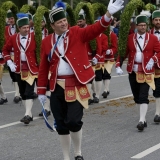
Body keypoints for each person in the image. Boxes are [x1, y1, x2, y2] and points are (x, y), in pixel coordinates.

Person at [37, 0, 123, 159]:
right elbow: (43, 67)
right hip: (57, 86)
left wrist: (108, 14)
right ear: (52, 25)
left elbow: (95, 29)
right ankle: (66, 156)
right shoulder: (46, 42)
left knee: (74, 121)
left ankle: (78, 152)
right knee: (61, 123)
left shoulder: (76, 32)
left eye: (64, 21)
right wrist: (42, 90)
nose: (63, 24)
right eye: (59, 22)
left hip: (77, 83)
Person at [116, 14, 160, 131]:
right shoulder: (130, 38)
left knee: (143, 95)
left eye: (145, 25)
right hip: (133, 70)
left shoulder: (153, 38)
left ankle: (141, 120)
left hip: (147, 71)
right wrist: (118, 65)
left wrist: (153, 59)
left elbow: (159, 52)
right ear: (136, 26)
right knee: (136, 97)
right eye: (141, 25)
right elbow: (124, 52)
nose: (143, 27)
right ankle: (143, 119)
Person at [3, 13, 39, 125]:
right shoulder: (13, 38)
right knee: (23, 93)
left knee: (29, 92)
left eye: (28, 27)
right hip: (19, 68)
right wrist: (9, 62)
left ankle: (27, 114)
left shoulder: (34, 37)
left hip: (31, 69)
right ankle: (29, 113)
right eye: (24, 28)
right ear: (19, 28)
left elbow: (41, 50)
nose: (27, 29)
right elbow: (5, 50)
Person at [4, 10, 21, 103]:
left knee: (18, 73)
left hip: (19, 53)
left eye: (12, 18)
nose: (11, 20)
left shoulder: (19, 27)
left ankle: (17, 94)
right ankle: (17, 92)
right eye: (9, 19)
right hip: (10, 53)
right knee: (12, 74)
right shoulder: (6, 29)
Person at [150, 10, 160, 123]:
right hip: (153, 65)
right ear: (153, 21)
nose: (158, 22)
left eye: (159, 20)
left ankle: (157, 113)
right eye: (156, 20)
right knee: (155, 89)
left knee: (159, 89)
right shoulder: (148, 33)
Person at [101, 30, 117, 98]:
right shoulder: (99, 34)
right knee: (101, 74)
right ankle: (107, 89)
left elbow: (115, 47)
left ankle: (105, 90)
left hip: (109, 58)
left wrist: (110, 51)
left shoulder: (112, 35)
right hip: (100, 58)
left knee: (106, 74)